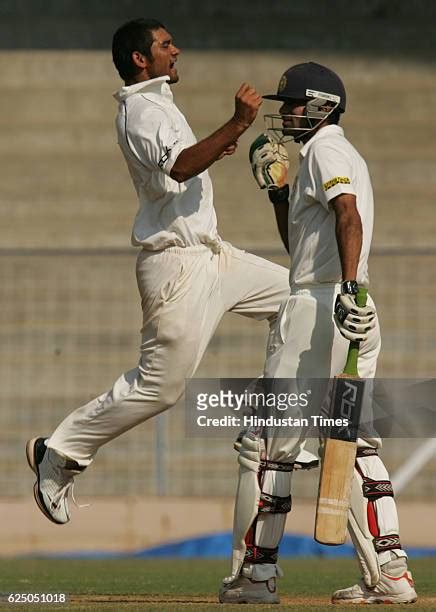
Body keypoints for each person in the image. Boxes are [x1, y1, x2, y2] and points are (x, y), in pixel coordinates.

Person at [25, 18, 308, 527]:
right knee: (161, 388)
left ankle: (279, 424)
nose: (176, 50)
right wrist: (238, 123)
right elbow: (178, 167)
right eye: (165, 44)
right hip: (177, 266)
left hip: (213, 253)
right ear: (140, 58)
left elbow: (178, 170)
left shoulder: (160, 105)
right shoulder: (139, 109)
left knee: (299, 298)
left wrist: (217, 149)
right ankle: (61, 451)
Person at [219, 62, 418, 605]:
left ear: (320, 106)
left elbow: (346, 215)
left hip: (322, 308)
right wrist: (279, 196)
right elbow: (303, 246)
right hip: (347, 304)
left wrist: (347, 288)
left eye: (291, 104)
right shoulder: (333, 154)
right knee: (353, 442)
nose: (284, 114)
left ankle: (257, 577)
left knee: (271, 444)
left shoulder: (327, 149)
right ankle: (391, 573)